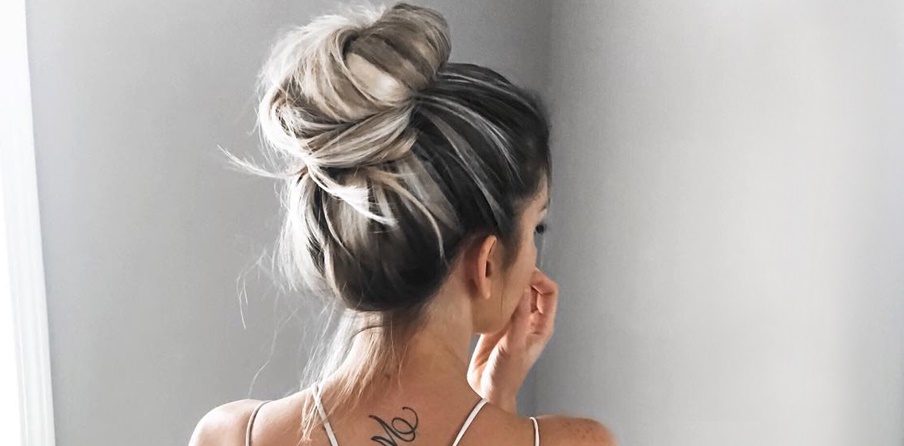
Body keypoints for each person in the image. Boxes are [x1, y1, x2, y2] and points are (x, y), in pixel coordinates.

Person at [189, 2, 616, 445]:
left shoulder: (230, 436)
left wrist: (494, 400)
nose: (534, 262)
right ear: (486, 262)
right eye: (535, 229)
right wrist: (497, 406)